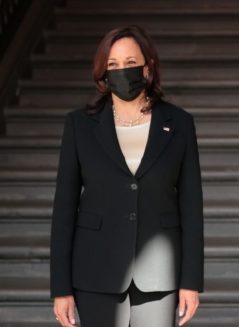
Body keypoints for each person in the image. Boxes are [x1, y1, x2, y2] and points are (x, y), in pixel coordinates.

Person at [50, 25, 204, 327]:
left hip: (160, 275)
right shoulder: (80, 126)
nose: (122, 71)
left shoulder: (180, 124)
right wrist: (60, 288)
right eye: (113, 65)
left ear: (148, 68)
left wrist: (191, 281)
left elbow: (191, 208)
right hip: (95, 269)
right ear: (103, 73)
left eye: (131, 63)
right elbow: (64, 209)